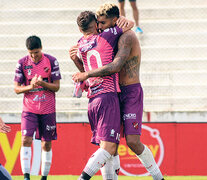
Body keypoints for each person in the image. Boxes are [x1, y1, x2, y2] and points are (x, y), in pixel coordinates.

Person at [72, 3, 164, 180]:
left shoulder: (126, 35)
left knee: (132, 142)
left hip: (129, 92)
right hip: (113, 93)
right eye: (98, 23)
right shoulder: (106, 37)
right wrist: (77, 60)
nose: (99, 27)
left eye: (103, 23)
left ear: (115, 20)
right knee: (111, 145)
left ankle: (159, 178)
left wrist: (127, 21)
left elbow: (115, 66)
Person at [71, 7, 134, 180]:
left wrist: (75, 60)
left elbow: (84, 70)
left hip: (92, 100)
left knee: (110, 149)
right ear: (96, 24)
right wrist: (125, 21)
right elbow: (129, 24)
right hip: (107, 96)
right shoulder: (106, 36)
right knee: (108, 148)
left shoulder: (80, 45)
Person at [14, 36, 61, 180]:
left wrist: (43, 84)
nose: (34, 56)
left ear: (41, 48)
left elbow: (57, 87)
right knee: (25, 140)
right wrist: (31, 86)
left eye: (36, 52)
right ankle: (26, 177)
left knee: (46, 144)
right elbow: (16, 89)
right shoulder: (22, 63)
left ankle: (44, 177)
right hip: (29, 109)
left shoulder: (51, 61)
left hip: (48, 109)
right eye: (31, 53)